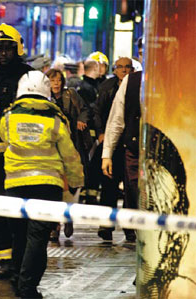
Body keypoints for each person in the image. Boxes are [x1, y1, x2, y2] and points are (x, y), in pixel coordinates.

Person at [0, 70, 84, 298]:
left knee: (19, 233)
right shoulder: (56, 120)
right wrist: (76, 182)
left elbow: (2, 138)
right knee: (37, 236)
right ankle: (27, 287)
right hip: (47, 185)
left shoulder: (8, 117)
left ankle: (17, 278)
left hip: (15, 185)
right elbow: (70, 155)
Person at [0, 23, 33, 279]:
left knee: (21, 212)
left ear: (17, 48)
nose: (3, 53)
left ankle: (21, 260)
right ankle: (3, 260)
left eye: (7, 48)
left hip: (24, 159)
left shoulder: (30, 77)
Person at [46, 68, 91, 240]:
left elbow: (86, 109)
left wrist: (82, 120)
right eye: (52, 81)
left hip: (71, 146)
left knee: (71, 185)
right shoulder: (45, 99)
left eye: (58, 80)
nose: (55, 84)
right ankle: (54, 226)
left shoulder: (70, 95)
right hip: (52, 149)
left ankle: (68, 216)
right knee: (55, 186)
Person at [94, 57, 134, 240]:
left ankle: (130, 227)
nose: (124, 70)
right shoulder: (107, 87)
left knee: (130, 188)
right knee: (109, 185)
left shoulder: (135, 86)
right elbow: (99, 113)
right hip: (112, 143)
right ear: (114, 69)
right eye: (121, 67)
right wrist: (101, 134)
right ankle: (106, 225)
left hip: (129, 143)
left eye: (127, 67)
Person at [101, 71, 142, 242]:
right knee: (133, 192)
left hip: (168, 152)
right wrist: (107, 155)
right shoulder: (131, 81)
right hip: (134, 149)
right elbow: (116, 120)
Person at [77, 58, 100, 203]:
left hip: (90, 131)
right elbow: (90, 110)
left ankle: (87, 193)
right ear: (95, 69)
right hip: (89, 132)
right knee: (90, 163)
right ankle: (88, 195)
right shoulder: (87, 88)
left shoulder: (85, 86)